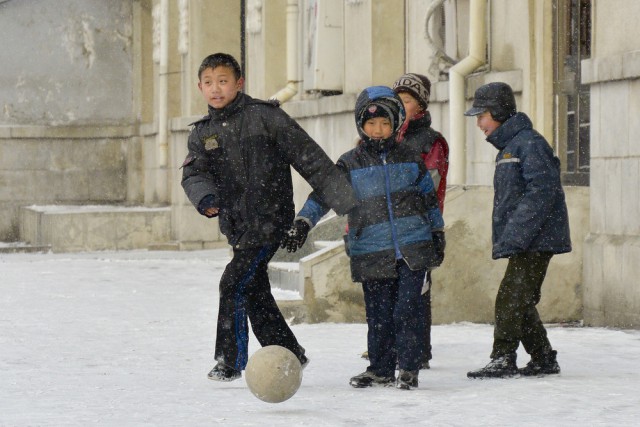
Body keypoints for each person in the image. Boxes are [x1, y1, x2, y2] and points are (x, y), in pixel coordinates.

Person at [181, 53, 358, 382]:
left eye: (223, 81)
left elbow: (310, 158)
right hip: (237, 226)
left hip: (270, 220)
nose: (216, 89)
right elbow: (193, 174)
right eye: (208, 83)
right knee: (254, 291)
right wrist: (205, 198)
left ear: (239, 83)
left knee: (232, 283)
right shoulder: (202, 133)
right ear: (200, 87)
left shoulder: (265, 118)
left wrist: (348, 202)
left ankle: (230, 360)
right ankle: (289, 351)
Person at [281, 86, 446, 390]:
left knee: (407, 310)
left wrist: (437, 232)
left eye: (385, 123)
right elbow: (324, 195)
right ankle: (381, 369)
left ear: (396, 123)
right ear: (361, 125)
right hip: (371, 249)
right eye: (371, 124)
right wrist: (304, 221)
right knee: (379, 314)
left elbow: (428, 199)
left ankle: (408, 368)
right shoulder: (350, 163)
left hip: (413, 246)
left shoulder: (410, 158)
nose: (378, 130)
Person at [463, 82, 572, 379]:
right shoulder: (511, 147)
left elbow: (542, 191)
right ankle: (543, 357)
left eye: (481, 115)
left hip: (536, 239)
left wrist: (517, 234)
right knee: (519, 299)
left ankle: (503, 357)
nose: (478, 123)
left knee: (510, 298)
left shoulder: (529, 144)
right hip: (527, 238)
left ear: (497, 112)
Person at [392, 73, 449, 370]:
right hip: (387, 227)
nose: (400, 106)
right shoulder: (385, 136)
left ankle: (417, 349)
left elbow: (428, 185)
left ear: (421, 105)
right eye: (396, 100)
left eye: (407, 100)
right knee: (392, 288)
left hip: (418, 225)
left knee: (417, 290)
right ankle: (394, 345)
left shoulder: (430, 141)